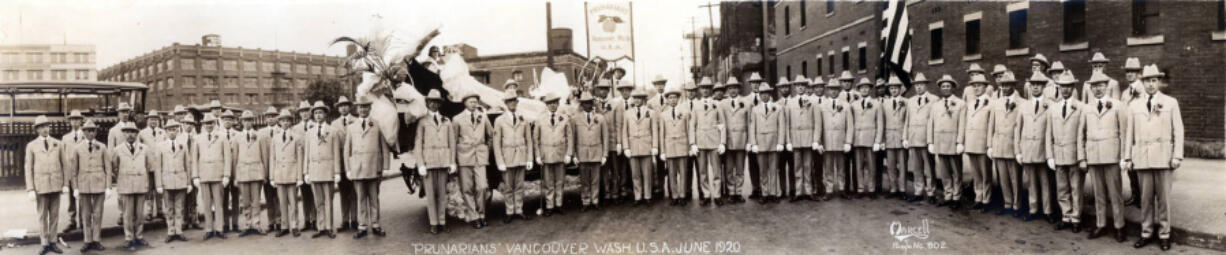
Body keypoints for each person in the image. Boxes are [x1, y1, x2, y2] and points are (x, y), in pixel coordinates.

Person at [1124, 64, 1183, 251]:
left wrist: (1177, 156)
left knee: (1164, 200)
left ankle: (1164, 234)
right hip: (1142, 159)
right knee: (1146, 200)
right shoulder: (1134, 106)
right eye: (1147, 81)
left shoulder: (1171, 102)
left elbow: (1178, 131)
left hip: (1164, 158)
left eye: (1154, 80)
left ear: (1159, 81)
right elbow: (1129, 134)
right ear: (1142, 82)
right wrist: (1128, 157)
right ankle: (1146, 232)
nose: (1150, 84)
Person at [1081, 71, 1129, 243]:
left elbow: (1124, 133)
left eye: (1101, 85)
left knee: (1115, 194)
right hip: (1094, 156)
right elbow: (1082, 134)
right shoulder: (1086, 108)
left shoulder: (1117, 105)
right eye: (1095, 86)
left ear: (1107, 86)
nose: (1098, 89)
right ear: (1091, 88)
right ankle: (1100, 224)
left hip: (1112, 156)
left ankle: (1119, 226)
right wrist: (1083, 157)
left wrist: (1124, 157)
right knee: (1098, 193)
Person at [1047, 72, 1085, 233]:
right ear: (1058, 87)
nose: (1065, 90)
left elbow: (1083, 134)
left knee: (1076, 187)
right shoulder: (1053, 108)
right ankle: (1066, 216)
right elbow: (1048, 133)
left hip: (1074, 154)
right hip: (1059, 153)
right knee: (1062, 188)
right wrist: (1050, 155)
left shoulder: (1081, 107)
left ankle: (1076, 217)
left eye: (1068, 86)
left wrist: (1082, 156)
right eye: (1062, 86)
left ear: (1073, 87)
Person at [346, 97, 388, 238]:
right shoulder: (351, 127)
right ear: (357, 109)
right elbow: (347, 149)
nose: (363, 109)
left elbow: (383, 146)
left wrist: (384, 166)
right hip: (357, 168)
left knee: (374, 198)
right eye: (360, 107)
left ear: (370, 108)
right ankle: (362, 226)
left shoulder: (377, 125)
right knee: (361, 199)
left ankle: (376, 225)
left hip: (373, 167)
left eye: (365, 107)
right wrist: (348, 169)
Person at [416, 90, 457, 234]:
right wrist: (420, 164)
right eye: (431, 101)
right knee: (431, 195)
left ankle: (442, 221)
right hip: (429, 162)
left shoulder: (446, 120)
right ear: (427, 103)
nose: (434, 104)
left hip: (443, 161)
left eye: (436, 101)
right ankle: (433, 222)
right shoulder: (422, 121)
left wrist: (452, 162)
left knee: (441, 193)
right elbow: (418, 144)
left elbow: (452, 143)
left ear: (440, 104)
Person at [25, 115, 67, 255]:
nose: (45, 129)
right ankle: (44, 243)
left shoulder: (58, 143)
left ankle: (53, 241)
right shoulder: (31, 146)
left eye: (47, 126)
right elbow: (28, 168)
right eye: (42, 127)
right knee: (42, 216)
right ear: (37, 129)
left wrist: (65, 184)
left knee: (54, 215)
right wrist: (30, 188)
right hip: (40, 186)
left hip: (55, 184)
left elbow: (65, 165)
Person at [1017, 72, 1056, 223]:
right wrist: (1018, 151)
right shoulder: (1024, 105)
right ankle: (1033, 209)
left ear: (1044, 86)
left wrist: (1050, 153)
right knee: (1031, 182)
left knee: (1045, 182)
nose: (1035, 87)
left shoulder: (1051, 105)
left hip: (1043, 149)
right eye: (1033, 84)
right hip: (1028, 149)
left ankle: (1047, 211)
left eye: (1038, 84)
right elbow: (1018, 129)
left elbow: (1052, 130)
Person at [494, 90, 533, 223]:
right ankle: (510, 211)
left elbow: (529, 139)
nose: (512, 103)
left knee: (519, 186)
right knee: (509, 187)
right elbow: (496, 142)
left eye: (514, 101)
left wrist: (529, 158)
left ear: (517, 102)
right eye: (509, 101)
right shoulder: (499, 120)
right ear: (505, 103)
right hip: (507, 158)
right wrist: (500, 161)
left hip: (521, 157)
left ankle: (519, 210)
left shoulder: (523, 119)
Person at [112, 122, 152, 251]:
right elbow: (114, 167)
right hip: (126, 184)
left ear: (137, 133)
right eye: (127, 132)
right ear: (124, 133)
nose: (130, 134)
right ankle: (129, 238)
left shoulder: (144, 148)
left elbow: (148, 165)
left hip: (140, 183)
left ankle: (139, 236)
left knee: (139, 213)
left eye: (133, 132)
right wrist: (123, 176)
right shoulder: (118, 149)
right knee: (127, 214)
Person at [454, 94, 492, 228]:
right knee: (467, 188)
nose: (474, 104)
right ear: (465, 103)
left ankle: (482, 214)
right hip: (464, 157)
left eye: (476, 102)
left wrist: (485, 149)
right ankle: (473, 216)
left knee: (482, 186)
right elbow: (453, 140)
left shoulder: (483, 117)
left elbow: (491, 135)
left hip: (480, 158)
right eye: (471, 102)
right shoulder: (457, 119)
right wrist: (454, 161)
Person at [987, 71, 1022, 217]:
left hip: (1013, 145)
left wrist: (1019, 149)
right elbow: (991, 125)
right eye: (1003, 85)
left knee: (1015, 178)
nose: (1005, 88)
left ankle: (1017, 205)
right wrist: (990, 145)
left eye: (1008, 85)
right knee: (1003, 178)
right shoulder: (996, 103)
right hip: (999, 145)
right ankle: (1007, 203)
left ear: (1014, 85)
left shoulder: (1022, 103)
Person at [304, 101, 341, 239]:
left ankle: (329, 227)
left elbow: (336, 152)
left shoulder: (333, 131)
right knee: (318, 201)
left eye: (320, 112)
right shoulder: (309, 132)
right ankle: (321, 227)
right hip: (314, 170)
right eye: (315, 113)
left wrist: (337, 172)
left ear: (326, 114)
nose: (318, 115)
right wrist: (305, 172)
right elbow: (307, 153)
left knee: (328, 201)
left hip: (328, 170)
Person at [72, 120, 110, 252]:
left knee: (98, 214)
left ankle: (97, 240)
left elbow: (108, 168)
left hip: (99, 184)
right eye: (88, 130)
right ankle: (87, 240)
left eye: (93, 130)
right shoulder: (77, 148)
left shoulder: (102, 147)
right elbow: (74, 170)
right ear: (83, 132)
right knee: (86, 214)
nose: (91, 133)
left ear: (96, 132)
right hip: (84, 185)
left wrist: (108, 186)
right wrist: (75, 188)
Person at [929, 75, 965, 210]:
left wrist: (960, 142)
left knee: (956, 171)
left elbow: (962, 124)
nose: (945, 88)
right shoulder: (936, 105)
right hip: (940, 141)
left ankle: (957, 196)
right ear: (940, 88)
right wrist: (930, 141)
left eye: (948, 86)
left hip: (953, 142)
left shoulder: (960, 103)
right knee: (944, 172)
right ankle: (947, 195)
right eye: (943, 86)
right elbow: (930, 124)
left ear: (952, 87)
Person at [782, 75, 819, 202]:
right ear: (795, 87)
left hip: (808, 139)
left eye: (802, 85)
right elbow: (786, 123)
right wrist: (788, 141)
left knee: (808, 166)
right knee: (797, 167)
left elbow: (817, 123)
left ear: (806, 86)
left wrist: (816, 140)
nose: (800, 87)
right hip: (795, 139)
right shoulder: (790, 103)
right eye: (798, 85)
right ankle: (798, 192)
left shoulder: (812, 102)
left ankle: (808, 191)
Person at [155, 119, 192, 243]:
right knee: (169, 208)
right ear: (165, 131)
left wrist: (188, 183)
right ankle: (171, 231)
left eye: (174, 129)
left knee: (179, 208)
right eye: (169, 130)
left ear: (178, 131)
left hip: (180, 181)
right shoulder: (160, 146)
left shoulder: (183, 145)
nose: (172, 132)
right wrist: (159, 184)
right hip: (167, 181)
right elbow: (158, 166)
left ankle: (179, 231)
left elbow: (187, 164)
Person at [690, 77, 727, 205]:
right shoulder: (696, 106)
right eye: (703, 88)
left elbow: (722, 124)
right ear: (700, 90)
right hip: (700, 143)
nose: (705, 90)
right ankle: (706, 194)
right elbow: (692, 125)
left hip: (714, 142)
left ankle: (717, 195)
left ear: (711, 89)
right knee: (702, 171)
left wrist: (722, 142)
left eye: (707, 88)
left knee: (716, 170)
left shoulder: (717, 105)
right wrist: (692, 143)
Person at [536, 94, 574, 215]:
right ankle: (549, 205)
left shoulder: (564, 118)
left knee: (560, 181)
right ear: (546, 105)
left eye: (555, 102)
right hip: (546, 155)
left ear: (558, 104)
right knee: (548, 182)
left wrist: (569, 154)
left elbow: (569, 137)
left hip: (560, 154)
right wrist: (537, 155)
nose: (552, 105)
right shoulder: (540, 119)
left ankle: (559, 204)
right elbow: (535, 139)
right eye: (550, 103)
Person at [233, 111, 269, 237]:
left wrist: (264, 174)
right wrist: (235, 176)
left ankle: (257, 224)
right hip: (242, 172)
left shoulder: (260, 136)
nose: (247, 122)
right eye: (245, 120)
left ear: (252, 121)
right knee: (245, 201)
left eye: (249, 120)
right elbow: (235, 158)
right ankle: (248, 224)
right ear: (241, 122)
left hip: (256, 172)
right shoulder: (236, 137)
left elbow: (264, 155)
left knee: (256, 200)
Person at [268, 110, 304, 238]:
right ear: (279, 122)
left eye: (288, 120)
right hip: (279, 174)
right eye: (283, 120)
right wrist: (272, 177)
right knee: (281, 202)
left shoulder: (296, 137)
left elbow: (300, 157)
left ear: (291, 122)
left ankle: (294, 226)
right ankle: (284, 226)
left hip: (292, 173)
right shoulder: (275, 138)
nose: (285, 123)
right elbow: (272, 158)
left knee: (293, 202)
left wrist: (300, 177)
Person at [961, 75, 994, 212]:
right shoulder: (969, 104)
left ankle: (986, 200)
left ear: (985, 87)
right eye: (974, 85)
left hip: (982, 143)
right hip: (971, 143)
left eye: (979, 85)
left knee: (985, 174)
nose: (976, 88)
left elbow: (991, 125)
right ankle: (978, 197)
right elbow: (965, 123)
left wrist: (989, 145)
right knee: (976, 174)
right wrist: (963, 142)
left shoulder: (991, 103)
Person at [196, 114, 231, 240]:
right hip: (204, 174)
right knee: (206, 204)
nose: (209, 125)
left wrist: (226, 175)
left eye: (211, 123)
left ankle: (219, 228)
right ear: (203, 125)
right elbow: (194, 159)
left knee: (218, 203)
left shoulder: (222, 137)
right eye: (206, 123)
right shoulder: (198, 138)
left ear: (214, 124)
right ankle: (209, 229)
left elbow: (227, 157)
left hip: (218, 175)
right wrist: (195, 176)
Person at [749, 83, 785, 204]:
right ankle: (764, 193)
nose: (764, 96)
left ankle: (774, 193)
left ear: (770, 94)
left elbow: (781, 126)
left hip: (774, 142)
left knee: (774, 169)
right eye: (762, 93)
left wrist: (781, 142)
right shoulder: (755, 109)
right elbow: (752, 127)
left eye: (766, 93)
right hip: (760, 143)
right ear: (759, 95)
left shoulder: (778, 108)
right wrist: (753, 143)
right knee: (763, 170)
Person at [904, 74, 937, 203]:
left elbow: (934, 121)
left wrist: (932, 141)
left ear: (926, 85)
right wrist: (905, 137)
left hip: (926, 138)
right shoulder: (911, 101)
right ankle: (918, 191)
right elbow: (907, 120)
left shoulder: (934, 100)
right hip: (913, 137)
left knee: (929, 168)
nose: (918, 87)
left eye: (921, 84)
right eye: (916, 85)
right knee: (916, 168)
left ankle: (931, 192)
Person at [572, 92, 608, 210]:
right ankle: (586, 201)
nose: (587, 105)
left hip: (596, 152)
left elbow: (605, 137)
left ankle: (595, 200)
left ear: (593, 104)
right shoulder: (575, 119)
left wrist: (604, 155)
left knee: (595, 179)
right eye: (585, 103)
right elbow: (573, 137)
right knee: (585, 180)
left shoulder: (600, 118)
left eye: (589, 102)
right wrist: (574, 155)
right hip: (582, 153)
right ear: (581, 105)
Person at [1119, 57, 1147, 208]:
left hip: (1138, 132)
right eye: (1127, 71)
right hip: (1126, 134)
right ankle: (1135, 195)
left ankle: (1143, 197)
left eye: (1133, 71)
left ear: (1138, 74)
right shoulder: (1124, 93)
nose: (1129, 74)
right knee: (1130, 166)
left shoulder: (1143, 90)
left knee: (1139, 166)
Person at [623, 88, 659, 206]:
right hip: (633, 147)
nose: (637, 100)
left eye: (639, 98)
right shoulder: (627, 113)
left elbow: (654, 130)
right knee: (635, 174)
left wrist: (654, 146)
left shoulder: (651, 113)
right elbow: (625, 131)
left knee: (647, 173)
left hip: (646, 146)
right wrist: (626, 147)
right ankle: (638, 196)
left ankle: (647, 196)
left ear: (643, 99)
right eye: (635, 98)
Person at [850, 78, 884, 199]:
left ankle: (871, 189)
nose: (864, 89)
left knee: (871, 166)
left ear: (870, 89)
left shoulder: (877, 104)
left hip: (870, 139)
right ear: (858, 90)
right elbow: (850, 123)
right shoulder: (853, 105)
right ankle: (860, 188)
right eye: (862, 87)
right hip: (857, 139)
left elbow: (880, 124)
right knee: (858, 166)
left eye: (867, 87)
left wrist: (878, 141)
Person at [820, 79, 853, 200]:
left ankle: (842, 188)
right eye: (831, 89)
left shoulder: (846, 105)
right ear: (828, 90)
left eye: (835, 89)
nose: (833, 91)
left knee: (841, 167)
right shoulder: (822, 105)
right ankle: (829, 189)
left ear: (839, 90)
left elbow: (850, 125)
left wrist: (848, 142)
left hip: (841, 140)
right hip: (827, 140)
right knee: (828, 167)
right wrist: (819, 142)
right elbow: (819, 125)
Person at [330, 96, 359, 232]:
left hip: (354, 162)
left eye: (346, 105)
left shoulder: (357, 121)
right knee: (343, 193)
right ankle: (345, 220)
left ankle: (354, 220)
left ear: (350, 107)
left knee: (354, 192)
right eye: (341, 106)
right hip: (341, 163)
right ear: (338, 108)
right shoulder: (334, 124)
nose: (343, 108)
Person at [721, 77, 750, 204]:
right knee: (728, 169)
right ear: (727, 90)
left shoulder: (746, 103)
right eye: (730, 88)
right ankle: (731, 192)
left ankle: (738, 192)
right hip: (728, 141)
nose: (733, 90)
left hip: (741, 141)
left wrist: (749, 141)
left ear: (739, 88)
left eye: (735, 88)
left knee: (740, 169)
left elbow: (750, 124)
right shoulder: (722, 104)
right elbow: (721, 123)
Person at [659, 88, 690, 206]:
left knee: (683, 172)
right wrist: (662, 151)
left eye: (674, 97)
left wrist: (689, 146)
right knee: (671, 173)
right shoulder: (663, 115)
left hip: (682, 145)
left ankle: (682, 195)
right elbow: (662, 133)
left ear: (678, 99)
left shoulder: (685, 113)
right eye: (670, 98)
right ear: (667, 100)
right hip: (669, 146)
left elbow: (688, 130)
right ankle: (674, 195)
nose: (672, 100)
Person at [291, 101, 318, 231]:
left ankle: (316, 220)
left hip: (314, 163)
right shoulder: (295, 129)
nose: (305, 113)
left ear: (310, 112)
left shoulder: (316, 125)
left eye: (307, 111)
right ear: (299, 113)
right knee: (305, 194)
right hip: (301, 165)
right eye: (302, 111)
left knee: (315, 194)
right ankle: (307, 220)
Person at [604, 80, 631, 204]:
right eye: (623, 90)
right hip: (612, 142)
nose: (625, 92)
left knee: (626, 168)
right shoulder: (612, 104)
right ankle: (614, 192)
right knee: (614, 168)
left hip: (628, 140)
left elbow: (622, 124)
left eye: (628, 90)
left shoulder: (630, 103)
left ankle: (625, 190)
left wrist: (621, 142)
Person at [881, 76, 908, 200]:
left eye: (896, 88)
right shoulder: (884, 103)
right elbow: (882, 122)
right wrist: (882, 140)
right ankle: (893, 188)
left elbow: (907, 121)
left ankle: (902, 189)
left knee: (902, 165)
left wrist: (906, 137)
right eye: (891, 88)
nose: (893, 90)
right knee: (890, 165)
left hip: (901, 136)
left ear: (900, 89)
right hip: (889, 137)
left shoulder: (906, 102)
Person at [60, 110, 87, 233]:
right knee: (71, 197)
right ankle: (72, 221)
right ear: (70, 121)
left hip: (82, 171)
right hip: (71, 173)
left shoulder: (86, 135)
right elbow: (63, 157)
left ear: (81, 121)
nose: (75, 121)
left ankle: (83, 221)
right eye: (73, 119)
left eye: (77, 119)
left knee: (82, 197)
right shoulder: (65, 138)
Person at [138, 111, 166, 221]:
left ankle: (160, 210)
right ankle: (149, 211)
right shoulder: (142, 133)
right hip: (148, 166)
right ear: (147, 120)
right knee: (149, 189)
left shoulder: (163, 132)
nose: (154, 121)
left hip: (160, 165)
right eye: (151, 119)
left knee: (159, 188)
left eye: (156, 119)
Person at [260, 107, 282, 233]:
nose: (271, 118)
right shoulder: (261, 133)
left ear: (277, 117)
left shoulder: (281, 131)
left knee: (279, 197)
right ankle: (271, 222)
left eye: (273, 116)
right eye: (268, 116)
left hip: (279, 169)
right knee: (269, 197)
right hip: (266, 170)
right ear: (265, 118)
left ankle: (280, 221)